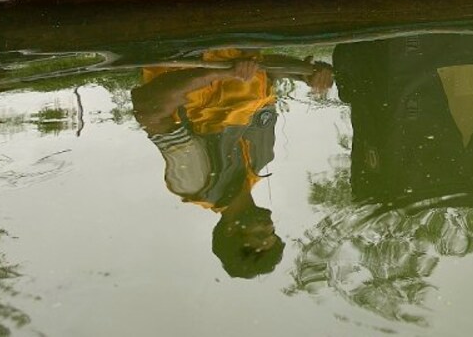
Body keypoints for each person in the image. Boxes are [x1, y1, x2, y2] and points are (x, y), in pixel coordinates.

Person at [132, 49, 335, 279]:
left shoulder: (195, 183)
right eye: (272, 233)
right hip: (244, 40)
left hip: (190, 43)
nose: (268, 227)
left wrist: (223, 72)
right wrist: (303, 74)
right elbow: (262, 72)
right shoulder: (262, 159)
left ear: (230, 231)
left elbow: (148, 109)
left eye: (259, 235)